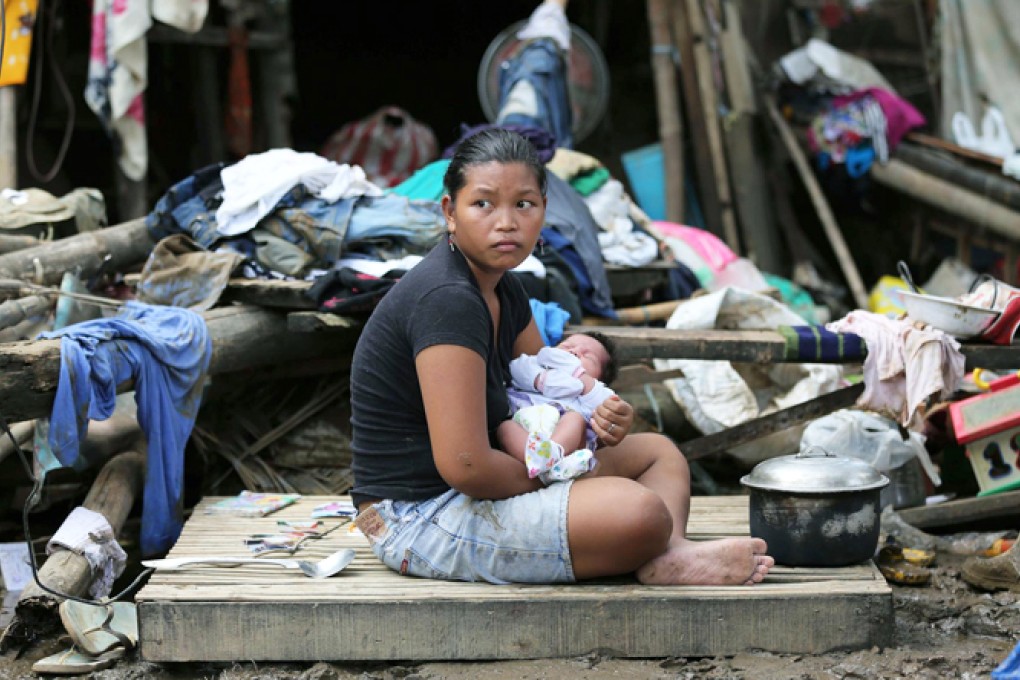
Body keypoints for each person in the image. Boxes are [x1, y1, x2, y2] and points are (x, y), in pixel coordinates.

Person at [349, 127, 774, 586]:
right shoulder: (447, 300)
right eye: (483, 204)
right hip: (420, 513)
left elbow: (555, 397)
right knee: (640, 511)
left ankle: (670, 557)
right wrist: (556, 472)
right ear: (451, 212)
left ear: (544, 212)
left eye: (524, 204)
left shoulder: (503, 287)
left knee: (658, 455)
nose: (506, 222)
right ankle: (654, 542)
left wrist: (601, 418)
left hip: (496, 476)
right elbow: (466, 465)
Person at [497, 331, 618, 484]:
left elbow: (606, 401)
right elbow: (516, 369)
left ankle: (554, 456)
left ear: (599, 377)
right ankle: (536, 462)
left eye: (588, 357)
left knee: (575, 418)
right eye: (567, 346)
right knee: (505, 427)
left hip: (562, 440)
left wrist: (579, 376)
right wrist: (542, 379)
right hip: (524, 425)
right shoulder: (534, 364)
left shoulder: (587, 394)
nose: (574, 352)